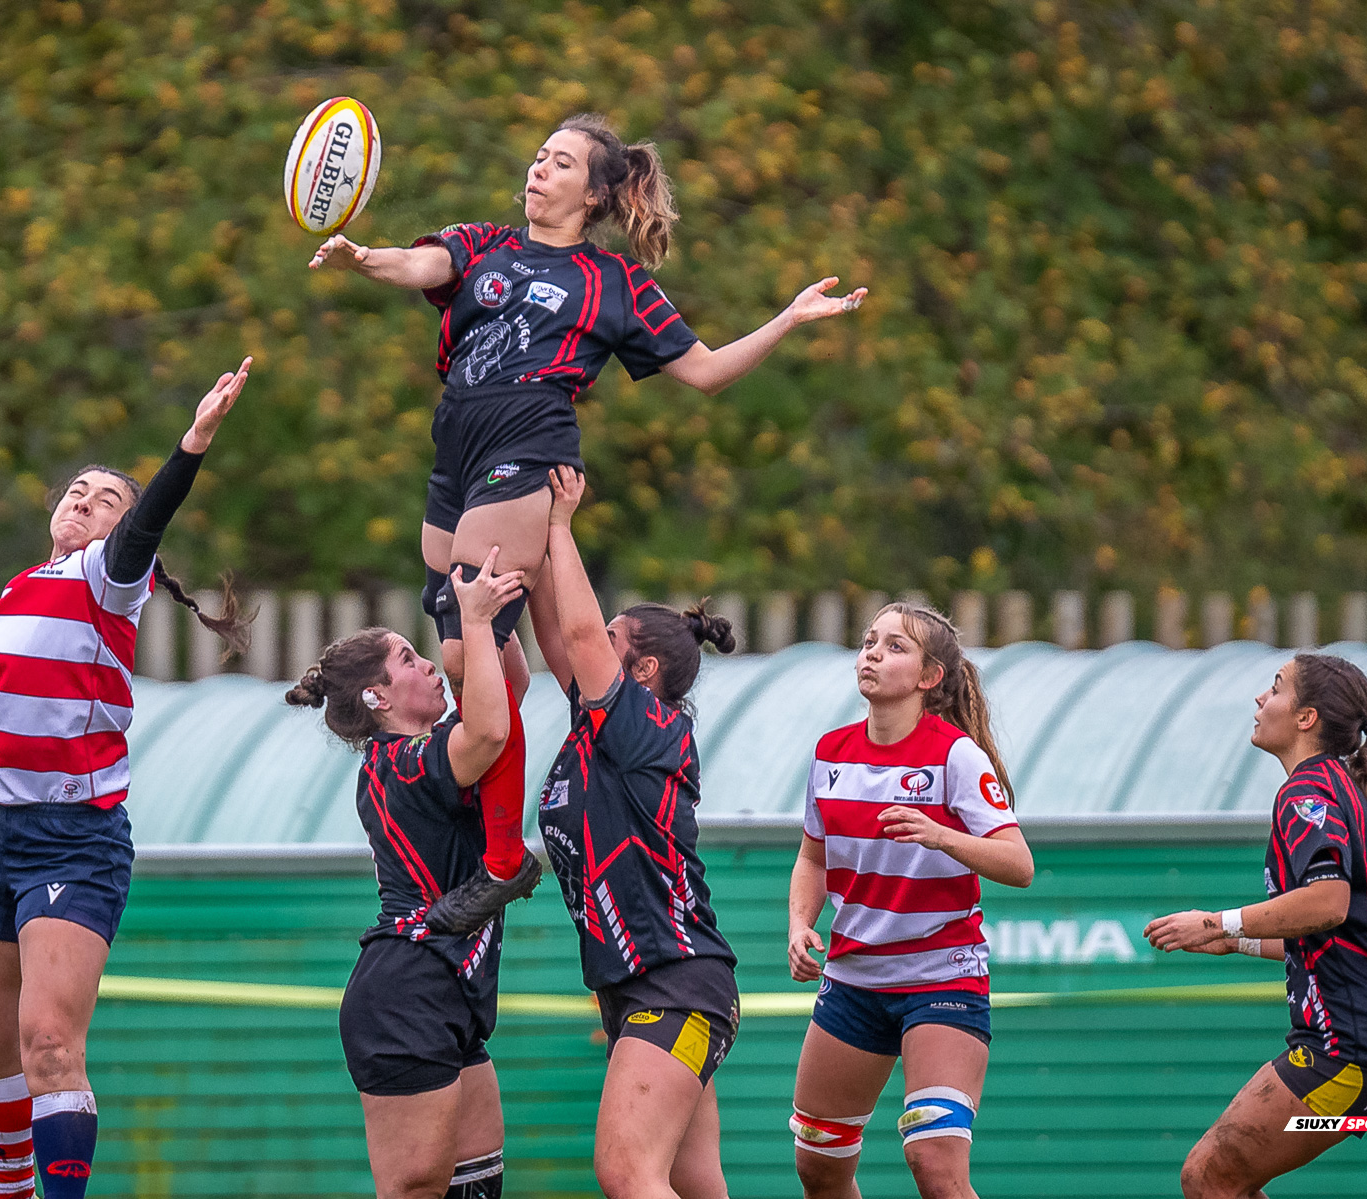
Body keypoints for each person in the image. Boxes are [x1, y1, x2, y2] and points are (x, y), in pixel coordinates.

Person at [306, 112, 864, 691]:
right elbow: (420, 262)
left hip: (525, 449)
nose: (540, 169)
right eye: (540, 157)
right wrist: (364, 258)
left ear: (595, 195)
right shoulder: (482, 243)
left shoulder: (615, 282)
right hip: (454, 453)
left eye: (561, 163)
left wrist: (788, 319)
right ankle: (496, 772)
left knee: (462, 659)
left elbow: (705, 371)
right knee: (487, 668)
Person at [0, 359, 253, 1199]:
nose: (83, 499)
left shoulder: (106, 580)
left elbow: (146, 525)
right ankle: (8, 1183)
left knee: (48, 1043)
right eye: (75, 490)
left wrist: (190, 444)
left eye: (104, 497)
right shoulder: (12, 592)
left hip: (71, 840)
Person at [285, 548, 527, 1199]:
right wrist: (470, 625)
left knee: (476, 1187)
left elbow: (507, 696)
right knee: (415, 1186)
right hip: (405, 996)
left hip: (452, 998)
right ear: (378, 695)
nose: (429, 664)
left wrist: (506, 605)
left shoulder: (430, 750)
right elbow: (487, 733)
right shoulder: (398, 763)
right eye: (410, 660)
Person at [530, 465, 739, 1199]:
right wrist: (519, 537)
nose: (595, 641)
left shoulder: (646, 724)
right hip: (637, 985)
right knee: (693, 1183)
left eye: (615, 639)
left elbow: (581, 630)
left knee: (626, 1173)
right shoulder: (599, 726)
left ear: (642, 667)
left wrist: (560, 525)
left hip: (675, 984)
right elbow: (560, 632)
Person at [1146, 653, 1367, 1199]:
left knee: (1208, 1177)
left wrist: (1215, 920)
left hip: (1350, 1055)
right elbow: (1337, 932)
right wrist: (1234, 939)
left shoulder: (1306, 793)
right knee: (1230, 1180)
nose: (1258, 699)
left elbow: (1327, 902)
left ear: (1306, 718)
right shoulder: (1342, 787)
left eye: (1274, 688)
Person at [787, 601, 1033, 1199]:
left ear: (930, 678)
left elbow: (1019, 865)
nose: (872, 652)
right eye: (869, 640)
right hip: (853, 983)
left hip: (942, 979)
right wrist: (799, 925)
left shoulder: (955, 756)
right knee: (819, 1166)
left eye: (895, 646)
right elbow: (812, 858)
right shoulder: (830, 753)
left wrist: (941, 834)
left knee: (934, 1164)